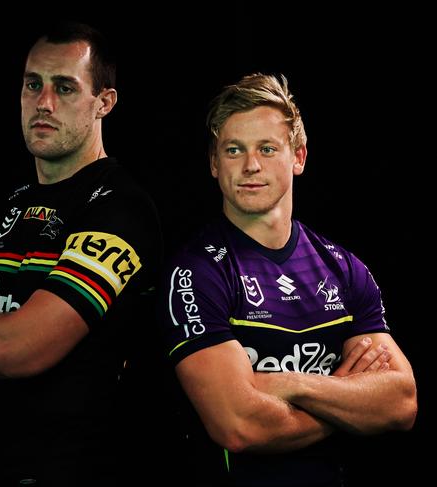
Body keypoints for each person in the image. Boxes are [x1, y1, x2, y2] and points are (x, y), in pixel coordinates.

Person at [0, 21, 162, 486]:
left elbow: (16, 351)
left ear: (104, 102)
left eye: (65, 88)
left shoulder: (120, 208)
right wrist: (12, 339)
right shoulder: (2, 209)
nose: (43, 103)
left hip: (82, 469)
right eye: (33, 85)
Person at [158, 73, 417, 486]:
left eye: (266, 148)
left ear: (298, 157)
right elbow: (239, 426)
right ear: (213, 162)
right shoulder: (197, 272)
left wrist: (290, 383)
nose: (251, 165)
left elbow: (401, 403)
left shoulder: (344, 269)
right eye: (233, 150)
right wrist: (346, 396)